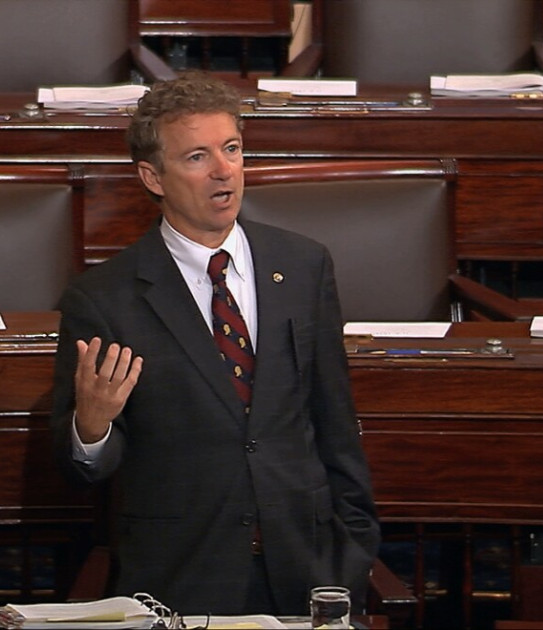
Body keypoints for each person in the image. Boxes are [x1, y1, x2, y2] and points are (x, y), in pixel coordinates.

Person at [50, 72, 380, 616]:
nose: (224, 170)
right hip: (182, 576)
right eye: (197, 157)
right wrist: (92, 426)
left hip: (306, 569)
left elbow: (336, 424)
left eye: (232, 149)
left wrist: (352, 559)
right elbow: (82, 469)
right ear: (152, 177)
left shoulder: (303, 265)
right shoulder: (103, 299)